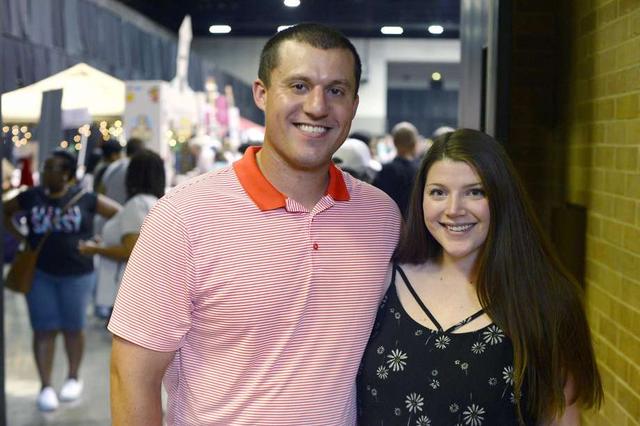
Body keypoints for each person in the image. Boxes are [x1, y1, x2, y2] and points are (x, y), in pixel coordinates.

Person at [108, 23, 401, 425]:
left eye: (336, 90)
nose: (317, 106)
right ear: (261, 94)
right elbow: (132, 376)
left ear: (353, 104)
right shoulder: (182, 218)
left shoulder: (381, 217)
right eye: (299, 86)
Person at [357, 129, 602, 425]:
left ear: (501, 197)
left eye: (475, 192)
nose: (454, 210)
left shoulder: (547, 302)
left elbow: (560, 416)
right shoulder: (383, 284)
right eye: (438, 192)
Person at [3, 150, 120, 412]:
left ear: (66, 174)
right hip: (39, 273)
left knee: (73, 328)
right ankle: (45, 385)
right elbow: (5, 211)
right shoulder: (31, 196)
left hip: (78, 274)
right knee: (43, 328)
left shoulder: (85, 198)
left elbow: (119, 214)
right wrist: (21, 236)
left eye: (52, 168)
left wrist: (101, 241)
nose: (45, 173)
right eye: (45, 167)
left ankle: (73, 377)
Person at [79, 149, 165, 319]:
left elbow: (130, 251)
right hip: (146, 289)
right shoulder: (155, 203)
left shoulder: (137, 204)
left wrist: (96, 249)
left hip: (132, 291)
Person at [373, 121, 420, 218]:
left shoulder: (386, 170)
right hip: (414, 223)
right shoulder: (421, 170)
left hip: (389, 221)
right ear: (414, 143)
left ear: (394, 142)